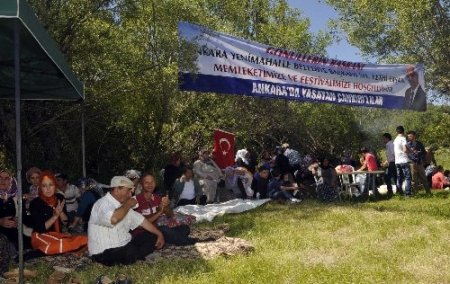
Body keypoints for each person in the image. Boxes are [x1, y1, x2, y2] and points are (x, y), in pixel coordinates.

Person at [88, 176, 164, 266]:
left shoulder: (123, 206)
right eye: (128, 191)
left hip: (124, 246)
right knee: (129, 251)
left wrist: (159, 234)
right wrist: (128, 204)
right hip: (104, 252)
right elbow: (114, 219)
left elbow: (142, 221)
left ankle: (134, 256)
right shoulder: (102, 204)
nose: (130, 195)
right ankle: (134, 256)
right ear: (116, 190)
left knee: (151, 236)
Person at [29, 171, 87, 255]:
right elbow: (40, 229)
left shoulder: (59, 198)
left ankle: (61, 250)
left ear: (55, 186)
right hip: (40, 237)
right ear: (40, 187)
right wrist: (55, 216)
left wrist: (61, 213)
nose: (48, 189)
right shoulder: (35, 203)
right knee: (63, 244)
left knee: (85, 240)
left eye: (51, 185)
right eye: (44, 186)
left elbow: (66, 222)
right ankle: (48, 250)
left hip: (56, 236)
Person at [393, 126, 412, 196]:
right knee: (407, 177)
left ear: (396, 132)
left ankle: (399, 193)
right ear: (403, 132)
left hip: (397, 161)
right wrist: (410, 153)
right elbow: (405, 149)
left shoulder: (395, 140)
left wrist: (410, 150)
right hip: (404, 160)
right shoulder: (403, 139)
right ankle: (407, 194)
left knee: (399, 177)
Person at [382, 133, 396, 198]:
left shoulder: (390, 145)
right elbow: (390, 156)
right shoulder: (388, 145)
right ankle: (393, 191)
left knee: (387, 177)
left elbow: (394, 154)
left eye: (384, 138)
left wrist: (392, 162)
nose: (383, 140)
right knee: (394, 177)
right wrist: (385, 162)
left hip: (393, 163)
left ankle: (390, 192)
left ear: (387, 138)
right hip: (391, 163)